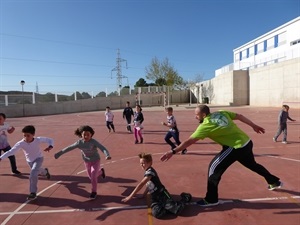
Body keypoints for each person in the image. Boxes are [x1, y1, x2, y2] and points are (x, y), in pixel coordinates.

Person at [161, 105, 282, 207]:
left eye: (196, 115)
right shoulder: (221, 113)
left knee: (213, 168)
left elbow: (189, 141)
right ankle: (274, 181)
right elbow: (239, 116)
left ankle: (211, 199)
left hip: (235, 147)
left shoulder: (205, 125)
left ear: (203, 115)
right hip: (246, 142)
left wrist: (173, 151)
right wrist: (253, 125)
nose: (195, 117)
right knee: (253, 165)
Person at [121, 152, 191, 219]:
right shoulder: (146, 171)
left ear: (150, 162)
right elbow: (149, 185)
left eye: (143, 163)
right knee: (157, 213)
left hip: (162, 194)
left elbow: (141, 184)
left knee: (177, 210)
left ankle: (185, 198)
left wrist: (130, 196)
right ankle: (167, 207)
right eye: (140, 163)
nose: (141, 165)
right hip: (155, 198)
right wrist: (143, 194)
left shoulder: (150, 172)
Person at [54, 125, 111, 199]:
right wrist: (59, 154)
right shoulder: (79, 143)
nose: (86, 136)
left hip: (95, 160)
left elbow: (102, 148)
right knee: (91, 177)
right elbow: (69, 148)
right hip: (87, 161)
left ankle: (94, 192)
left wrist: (107, 155)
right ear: (81, 134)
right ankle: (101, 172)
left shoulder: (93, 142)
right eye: (84, 135)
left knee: (93, 176)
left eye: (88, 135)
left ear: (91, 134)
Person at [0, 125, 53, 201]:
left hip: (39, 158)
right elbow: (11, 151)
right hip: (29, 161)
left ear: (33, 134)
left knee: (33, 173)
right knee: (37, 170)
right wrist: (1, 157)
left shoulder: (38, 140)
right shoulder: (21, 143)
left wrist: (50, 146)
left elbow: (50, 140)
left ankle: (33, 193)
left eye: (28, 135)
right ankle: (45, 171)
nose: (26, 137)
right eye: (24, 135)